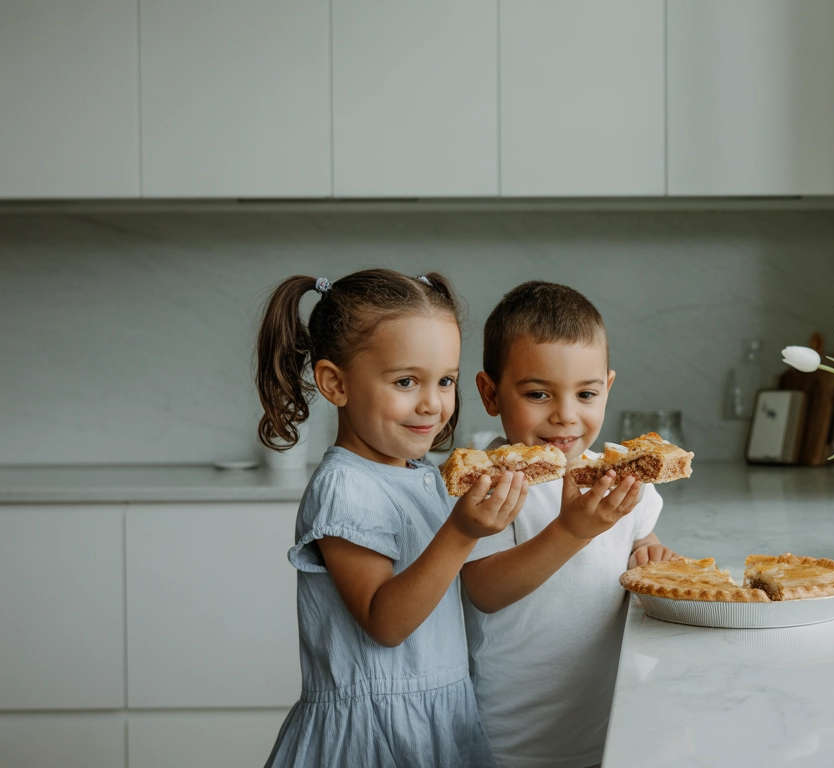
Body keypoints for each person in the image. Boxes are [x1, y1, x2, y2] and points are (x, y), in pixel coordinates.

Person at [256, 269, 527, 767]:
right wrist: (462, 533)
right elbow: (385, 622)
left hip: (440, 719)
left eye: (445, 380)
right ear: (335, 384)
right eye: (406, 381)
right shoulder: (346, 488)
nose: (433, 404)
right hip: (375, 734)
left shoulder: (421, 475)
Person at [461, 281, 680, 768]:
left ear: (608, 387)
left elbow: (641, 542)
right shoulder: (490, 484)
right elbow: (484, 590)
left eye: (586, 393)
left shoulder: (622, 480)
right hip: (512, 737)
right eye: (538, 393)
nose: (566, 415)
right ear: (491, 393)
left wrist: (653, 555)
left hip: (606, 723)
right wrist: (571, 532)